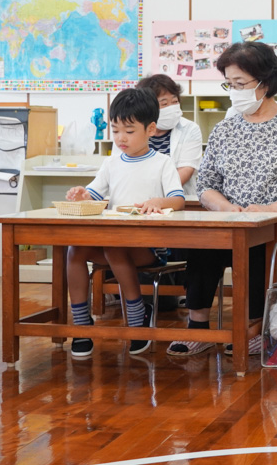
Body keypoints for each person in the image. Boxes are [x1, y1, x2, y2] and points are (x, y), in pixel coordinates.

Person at [167, 42, 277, 356]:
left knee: (259, 239)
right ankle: (197, 327)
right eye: (230, 84)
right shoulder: (224, 130)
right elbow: (207, 186)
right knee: (205, 240)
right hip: (233, 219)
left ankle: (258, 327)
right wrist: (227, 209)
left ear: (265, 83)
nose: (234, 91)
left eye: (240, 84)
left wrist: (269, 211)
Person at [64, 88, 186, 358]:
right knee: (75, 248)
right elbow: (94, 194)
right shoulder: (112, 162)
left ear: (151, 129)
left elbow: (178, 200)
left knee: (114, 247)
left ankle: (136, 317)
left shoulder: (162, 163)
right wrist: (82, 194)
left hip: (150, 249)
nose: (121, 138)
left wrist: (158, 201)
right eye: (116, 130)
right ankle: (82, 324)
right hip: (114, 243)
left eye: (129, 131)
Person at [112, 73, 203, 198]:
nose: (172, 108)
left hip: (175, 198)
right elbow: (119, 167)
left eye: (175, 101)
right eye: (164, 104)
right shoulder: (128, 130)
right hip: (132, 198)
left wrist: (153, 194)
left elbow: (186, 169)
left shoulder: (190, 129)